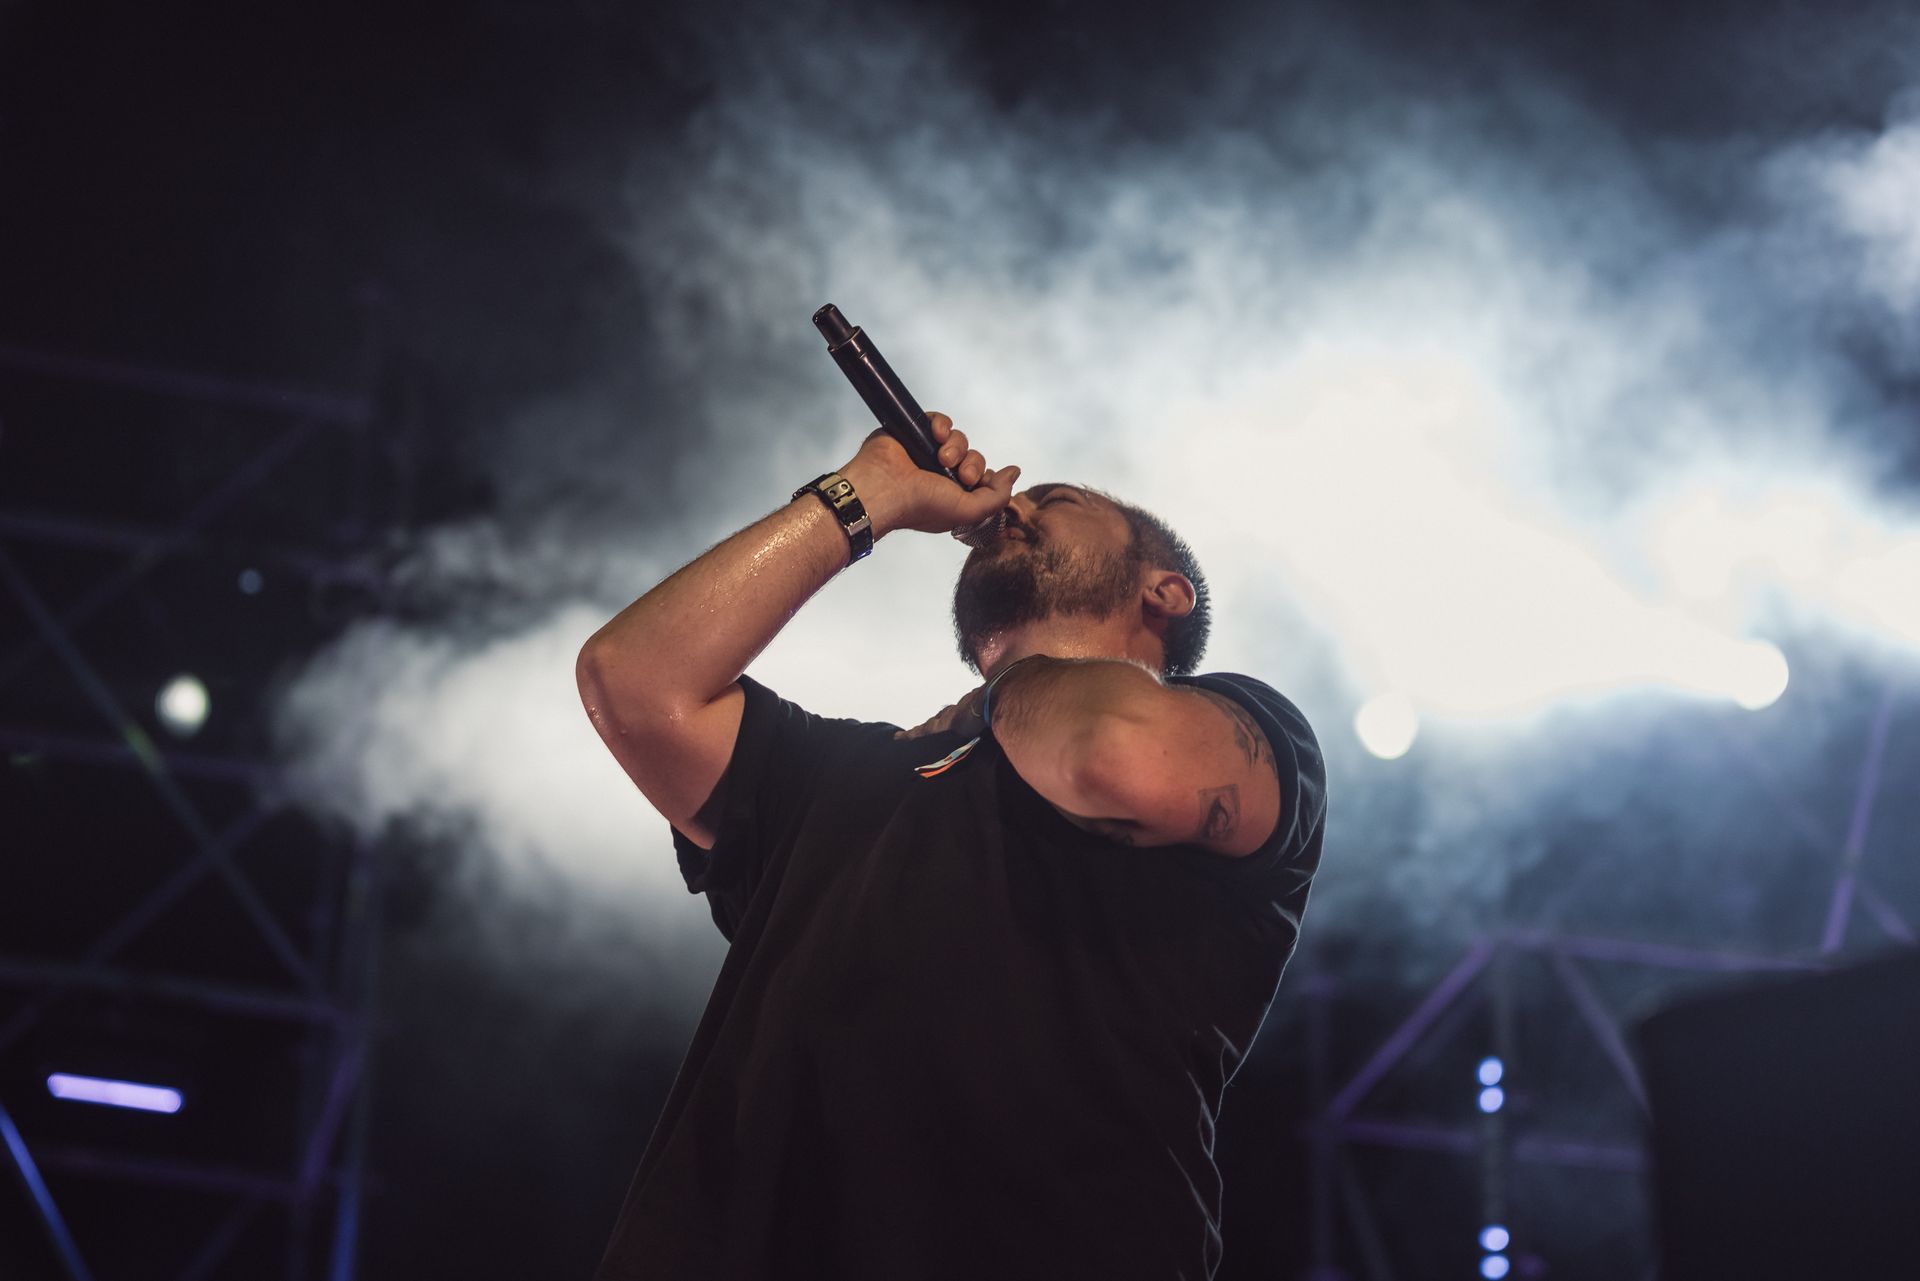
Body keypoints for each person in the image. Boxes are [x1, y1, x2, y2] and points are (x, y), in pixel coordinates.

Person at [576, 412, 1327, 1281]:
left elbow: (1112, 757)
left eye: (1058, 501)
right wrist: (870, 493)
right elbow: (632, 682)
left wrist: (1015, 676)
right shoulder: (842, 771)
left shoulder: (1241, 727)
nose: (1018, 505)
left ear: (1163, 593)